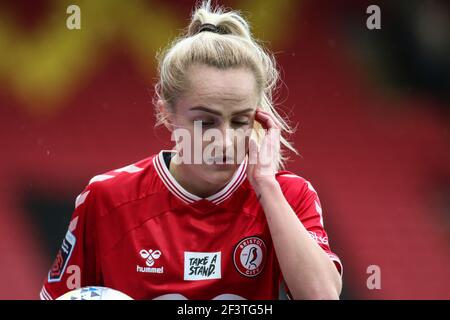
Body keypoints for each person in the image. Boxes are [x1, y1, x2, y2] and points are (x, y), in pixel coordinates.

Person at [40, 1, 342, 300]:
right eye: (205, 122)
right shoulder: (107, 198)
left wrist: (266, 186)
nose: (224, 141)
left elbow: (322, 296)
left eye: (239, 121)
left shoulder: (289, 196)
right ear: (168, 115)